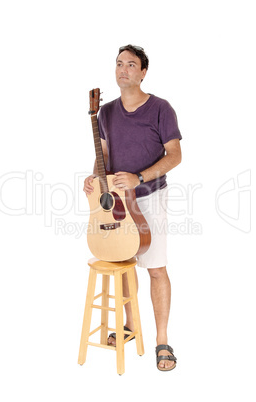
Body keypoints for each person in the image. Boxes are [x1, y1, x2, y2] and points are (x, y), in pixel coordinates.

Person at [83, 44, 182, 371]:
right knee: (123, 262)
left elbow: (174, 155)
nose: (123, 69)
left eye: (130, 64)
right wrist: (95, 179)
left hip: (150, 196)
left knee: (155, 267)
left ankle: (162, 339)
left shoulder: (160, 108)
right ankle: (130, 325)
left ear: (143, 72)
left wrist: (139, 177)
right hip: (117, 203)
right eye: (118, 64)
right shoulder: (106, 112)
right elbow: (106, 158)